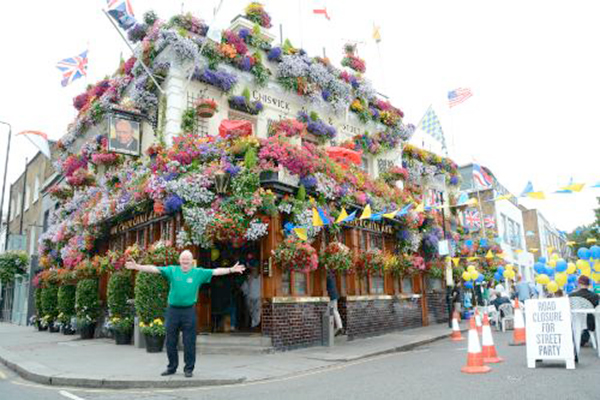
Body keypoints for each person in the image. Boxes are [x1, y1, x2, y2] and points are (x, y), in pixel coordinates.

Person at [125, 250, 245, 378]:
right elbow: (154, 269)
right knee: (170, 341)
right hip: (173, 311)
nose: (185, 262)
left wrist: (231, 270)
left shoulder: (198, 273)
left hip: (189, 311)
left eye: (188, 259)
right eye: (183, 259)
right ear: (180, 261)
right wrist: (137, 267)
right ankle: (171, 367)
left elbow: (215, 271)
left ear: (192, 261)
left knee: (189, 342)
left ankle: (189, 369)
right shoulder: (172, 270)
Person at [569, 275, 599, 347]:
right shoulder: (595, 296)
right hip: (590, 323)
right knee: (590, 316)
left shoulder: (572, 295)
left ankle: (577, 339)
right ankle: (584, 338)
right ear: (588, 284)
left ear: (579, 284)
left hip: (575, 321)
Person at [241, 265, 262, 330]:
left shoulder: (261, 278)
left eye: (255, 270)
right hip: (250, 298)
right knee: (252, 312)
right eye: (253, 270)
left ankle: (255, 325)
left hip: (259, 297)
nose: (254, 272)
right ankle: (253, 325)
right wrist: (246, 295)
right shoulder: (249, 278)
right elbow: (244, 288)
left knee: (257, 311)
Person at [326, 270, 344, 336]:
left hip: (332, 296)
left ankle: (339, 327)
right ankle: (339, 327)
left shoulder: (328, 277)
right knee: (333, 311)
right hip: (334, 296)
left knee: (331, 311)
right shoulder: (332, 276)